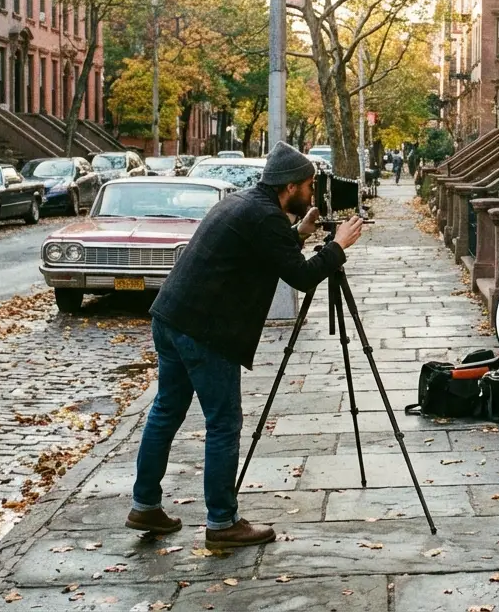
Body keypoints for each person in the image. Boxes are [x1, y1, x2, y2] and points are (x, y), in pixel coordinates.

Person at [126, 142, 365, 548]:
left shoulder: (245, 204)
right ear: (289, 187)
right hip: (204, 330)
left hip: (170, 316)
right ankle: (223, 524)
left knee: (165, 412)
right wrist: (337, 246)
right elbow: (301, 277)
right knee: (223, 424)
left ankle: (145, 504)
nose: (314, 191)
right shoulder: (264, 215)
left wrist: (300, 232)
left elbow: (266, 249)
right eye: (308, 185)